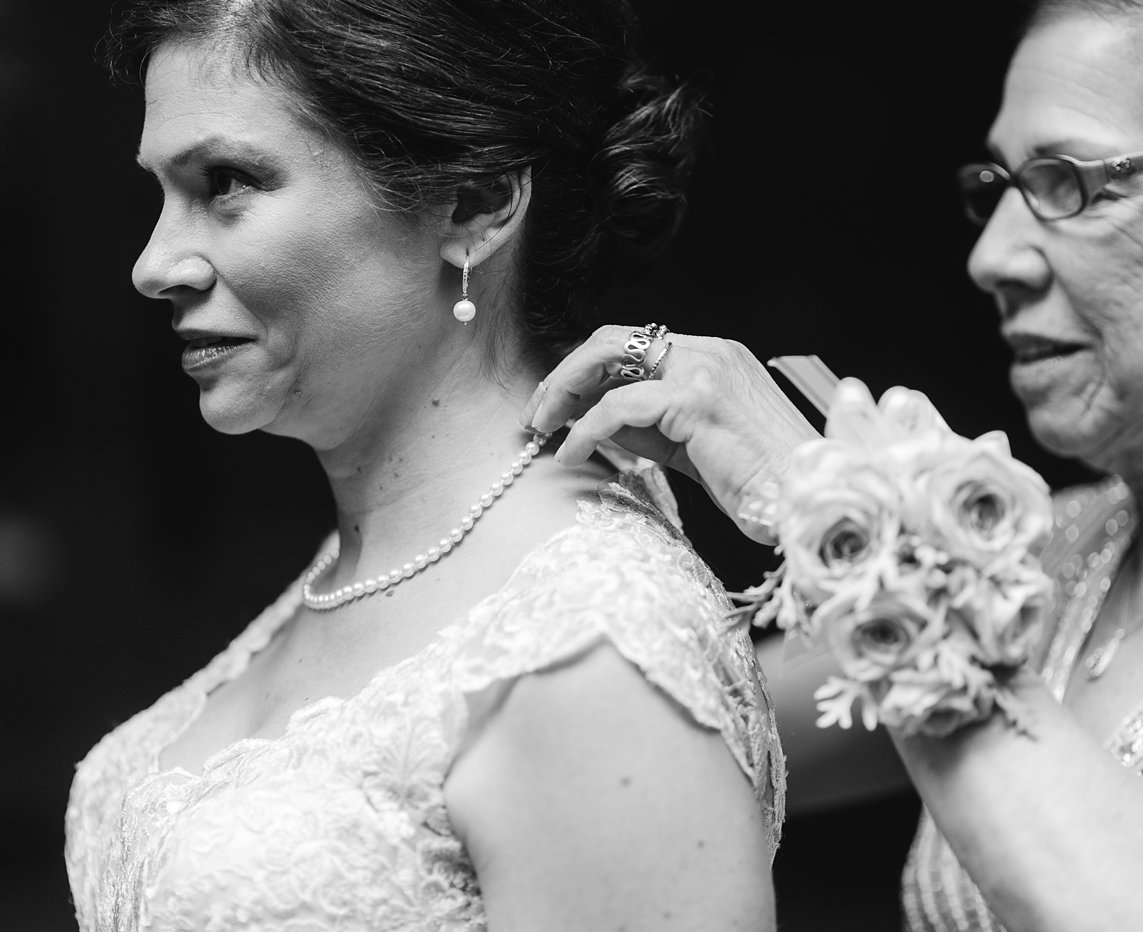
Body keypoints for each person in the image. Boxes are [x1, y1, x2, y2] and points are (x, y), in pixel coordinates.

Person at [63, 1, 783, 929]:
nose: (155, 264)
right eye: (160, 193)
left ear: (475, 203)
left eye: (227, 181)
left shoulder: (590, 640)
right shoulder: (360, 567)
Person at [526, 0, 1143, 929]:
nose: (992, 256)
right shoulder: (1046, 554)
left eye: (1068, 183)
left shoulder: (965, 563)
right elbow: (635, 755)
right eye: (1002, 188)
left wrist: (827, 508)